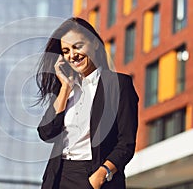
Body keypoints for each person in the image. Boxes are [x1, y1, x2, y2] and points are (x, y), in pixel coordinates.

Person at [36, 17, 139, 189]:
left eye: (78, 46)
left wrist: (101, 175)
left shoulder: (118, 85)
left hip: (94, 176)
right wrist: (65, 88)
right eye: (66, 50)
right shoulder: (66, 90)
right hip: (58, 177)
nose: (72, 55)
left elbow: (126, 143)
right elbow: (46, 133)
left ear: (95, 43)